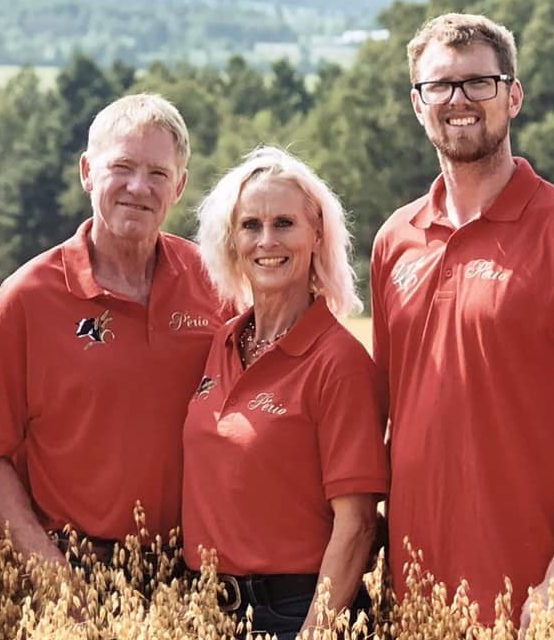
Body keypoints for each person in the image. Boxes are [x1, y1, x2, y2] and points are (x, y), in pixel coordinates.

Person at [371, 13, 554, 628]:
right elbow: (386, 417)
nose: (458, 101)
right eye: (438, 86)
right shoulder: (395, 240)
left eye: (479, 83)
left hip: (533, 604)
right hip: (414, 601)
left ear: (513, 96)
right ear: (418, 106)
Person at [0, 94, 229, 566]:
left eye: (158, 173)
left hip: (199, 570)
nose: (139, 186)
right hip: (76, 566)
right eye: (122, 167)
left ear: (180, 186)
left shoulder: (215, 283)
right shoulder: (27, 297)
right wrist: (52, 576)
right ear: (88, 171)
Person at [183, 147, 387, 639]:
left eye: (284, 224)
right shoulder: (223, 342)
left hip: (296, 613)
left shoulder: (338, 362)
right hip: (204, 609)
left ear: (317, 234)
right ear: (232, 240)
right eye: (251, 225)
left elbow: (357, 524)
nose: (266, 241)